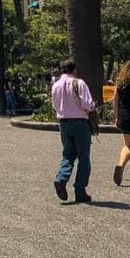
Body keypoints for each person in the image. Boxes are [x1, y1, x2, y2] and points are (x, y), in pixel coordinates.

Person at [52, 59, 95, 203]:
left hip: (63, 123)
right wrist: (92, 107)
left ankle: (61, 178)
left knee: (68, 154)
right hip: (79, 123)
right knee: (83, 157)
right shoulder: (79, 83)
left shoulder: (55, 85)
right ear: (74, 69)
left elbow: (55, 105)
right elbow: (88, 104)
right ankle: (80, 190)